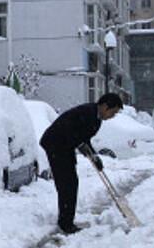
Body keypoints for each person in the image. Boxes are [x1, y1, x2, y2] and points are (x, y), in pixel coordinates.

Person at [39, 93, 123, 234]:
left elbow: (84, 139)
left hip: (65, 147)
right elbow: (72, 133)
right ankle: (65, 224)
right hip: (55, 145)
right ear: (104, 106)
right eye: (112, 112)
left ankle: (66, 220)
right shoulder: (87, 113)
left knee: (71, 183)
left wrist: (94, 157)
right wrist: (85, 149)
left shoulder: (96, 120)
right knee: (67, 183)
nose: (112, 116)